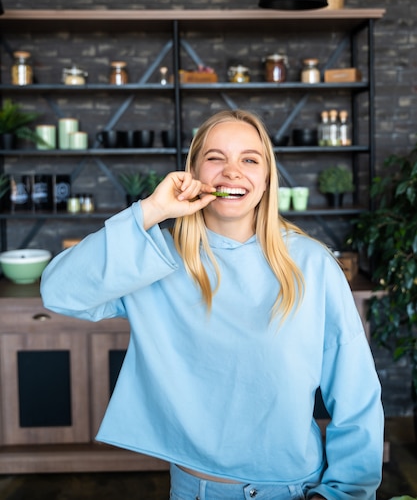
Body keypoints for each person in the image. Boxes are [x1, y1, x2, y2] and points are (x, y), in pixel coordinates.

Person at [41, 109, 384, 500]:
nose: (232, 172)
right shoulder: (155, 260)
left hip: (295, 489)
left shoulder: (311, 263)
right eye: (215, 158)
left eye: (250, 160)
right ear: (194, 172)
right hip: (194, 490)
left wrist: (343, 493)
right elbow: (58, 291)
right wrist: (151, 211)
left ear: (267, 178)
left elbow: (356, 394)